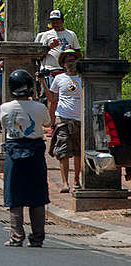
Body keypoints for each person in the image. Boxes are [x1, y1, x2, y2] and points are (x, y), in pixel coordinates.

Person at [0, 69, 50, 247]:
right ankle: (37, 237)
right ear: (30, 88)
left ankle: (16, 237)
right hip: (35, 151)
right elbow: (47, 122)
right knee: (37, 195)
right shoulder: (40, 107)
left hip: (14, 151)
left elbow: (4, 125)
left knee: (14, 195)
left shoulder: (5, 108)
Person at [35, 9, 80, 124]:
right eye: (52, 21)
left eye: (57, 21)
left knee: (66, 96)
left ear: (62, 21)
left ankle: (64, 120)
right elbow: (37, 55)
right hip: (50, 69)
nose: (55, 23)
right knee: (52, 99)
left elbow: (78, 53)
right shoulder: (45, 35)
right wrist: (49, 47)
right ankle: (52, 124)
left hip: (66, 70)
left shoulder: (71, 34)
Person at [48, 48, 83, 193]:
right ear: (63, 64)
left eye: (73, 60)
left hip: (80, 118)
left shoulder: (83, 78)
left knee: (78, 152)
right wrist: (51, 120)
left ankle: (76, 180)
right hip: (63, 118)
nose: (71, 63)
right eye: (68, 61)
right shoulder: (59, 79)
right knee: (63, 151)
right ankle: (64, 182)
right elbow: (52, 99)